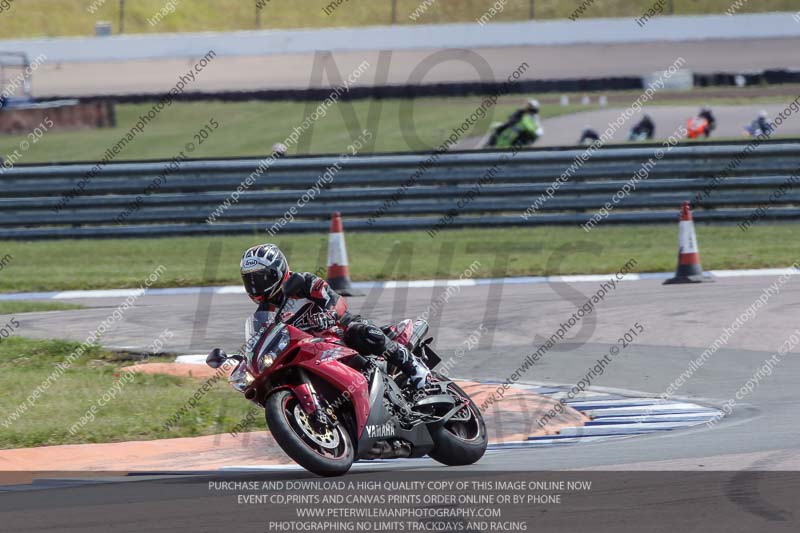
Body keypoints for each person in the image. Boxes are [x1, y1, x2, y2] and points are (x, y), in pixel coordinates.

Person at [239, 243, 431, 389]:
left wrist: (329, 314)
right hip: (309, 354)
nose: (256, 285)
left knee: (360, 331)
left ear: (277, 271)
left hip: (338, 334)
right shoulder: (265, 313)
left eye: (261, 278)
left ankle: (414, 368)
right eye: (250, 280)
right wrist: (245, 360)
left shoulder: (303, 282)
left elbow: (336, 301)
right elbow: (261, 342)